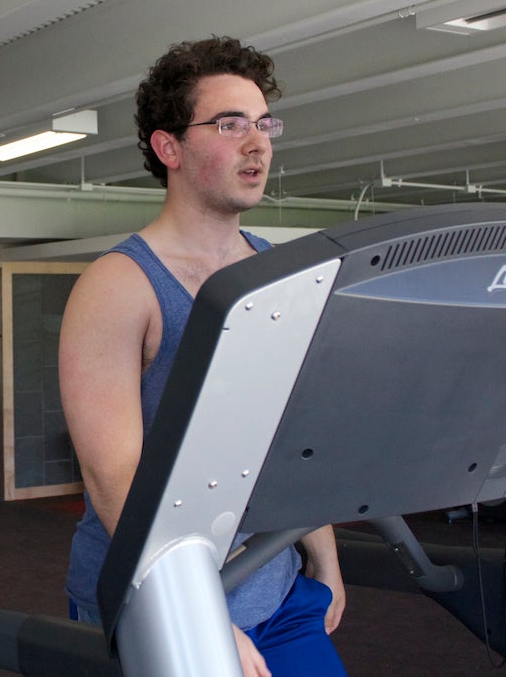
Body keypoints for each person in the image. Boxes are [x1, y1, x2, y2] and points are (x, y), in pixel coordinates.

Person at [60, 36, 346, 677]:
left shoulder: (276, 269)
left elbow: (287, 434)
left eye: (263, 123)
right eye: (229, 124)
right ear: (169, 148)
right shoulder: (119, 286)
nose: (258, 142)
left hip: (274, 583)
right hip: (156, 600)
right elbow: (116, 482)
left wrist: (322, 557)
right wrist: (201, 616)